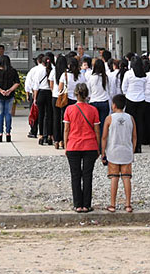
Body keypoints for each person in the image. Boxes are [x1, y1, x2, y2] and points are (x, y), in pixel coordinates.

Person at [63, 83, 101, 213]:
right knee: (87, 175)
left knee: (75, 175)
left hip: (73, 144)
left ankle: (77, 204)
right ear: (86, 95)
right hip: (90, 144)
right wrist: (98, 146)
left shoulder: (69, 109)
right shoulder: (93, 110)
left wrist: (65, 144)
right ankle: (87, 204)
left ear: (75, 94)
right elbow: (97, 130)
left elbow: (66, 129)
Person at [100, 94, 137, 213]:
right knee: (126, 178)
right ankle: (128, 204)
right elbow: (134, 136)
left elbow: (104, 137)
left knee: (114, 178)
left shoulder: (110, 118)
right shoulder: (130, 118)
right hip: (126, 151)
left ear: (114, 105)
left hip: (113, 152)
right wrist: (133, 150)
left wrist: (103, 152)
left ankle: (112, 204)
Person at [122, 56, 147, 153]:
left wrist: (127, 94)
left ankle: (131, 145)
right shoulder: (144, 75)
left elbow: (124, 87)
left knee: (130, 124)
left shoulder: (128, 74)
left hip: (130, 99)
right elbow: (145, 88)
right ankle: (138, 146)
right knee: (139, 123)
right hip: (141, 99)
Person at [0, 55, 20, 143]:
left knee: (0, 114)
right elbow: (17, 83)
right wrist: (10, 90)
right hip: (10, 94)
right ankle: (8, 133)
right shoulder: (13, 71)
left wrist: (1, 90)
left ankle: (0, 133)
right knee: (8, 114)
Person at [25, 54, 45, 138]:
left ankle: (33, 131)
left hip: (34, 92)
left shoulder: (33, 70)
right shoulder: (48, 69)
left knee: (34, 113)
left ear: (37, 61)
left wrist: (27, 94)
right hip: (45, 93)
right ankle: (43, 131)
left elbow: (28, 83)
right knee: (43, 114)